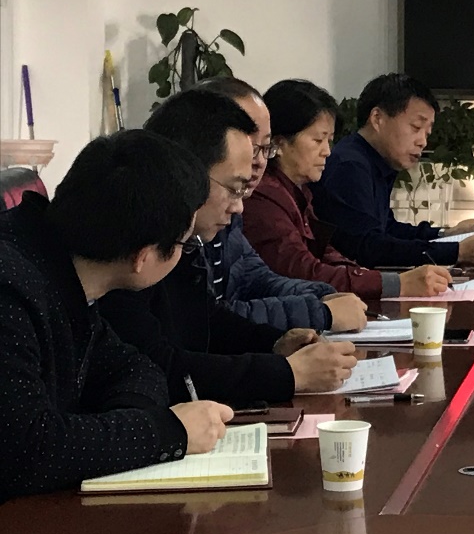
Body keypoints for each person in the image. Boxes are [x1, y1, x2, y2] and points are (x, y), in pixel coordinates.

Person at [0, 131, 235, 501]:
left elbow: (136, 370)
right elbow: (26, 451)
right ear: (143, 257)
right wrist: (167, 432)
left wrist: (124, 432)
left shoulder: (65, 270)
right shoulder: (11, 288)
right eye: (183, 244)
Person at [99, 90, 357, 406]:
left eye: (264, 148)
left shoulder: (183, 237)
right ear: (189, 174)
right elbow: (156, 367)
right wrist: (287, 373)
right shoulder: (130, 242)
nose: (239, 206)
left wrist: (275, 343)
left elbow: (206, 318)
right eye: (234, 188)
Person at [242, 79, 450, 300]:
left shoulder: (299, 192)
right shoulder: (264, 196)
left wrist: (369, 277)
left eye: (329, 141)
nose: (327, 152)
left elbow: (326, 252)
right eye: (318, 140)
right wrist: (394, 283)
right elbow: (303, 271)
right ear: (279, 143)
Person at [198, 77, 368, 334]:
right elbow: (209, 320)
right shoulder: (258, 197)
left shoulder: (243, 203)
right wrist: (321, 311)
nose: (257, 160)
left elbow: (258, 278)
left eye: (264, 147)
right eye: (250, 145)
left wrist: (324, 295)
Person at [312, 73, 474, 268]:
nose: (423, 142)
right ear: (377, 118)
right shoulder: (349, 166)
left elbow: (387, 229)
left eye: (427, 133)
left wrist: (447, 234)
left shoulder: (373, 161)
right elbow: (369, 249)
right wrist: (458, 252)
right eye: (416, 127)